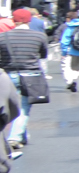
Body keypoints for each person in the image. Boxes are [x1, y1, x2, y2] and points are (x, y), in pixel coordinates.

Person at [1, 11, 48, 156]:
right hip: (31, 74)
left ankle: (21, 134)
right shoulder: (40, 36)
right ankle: (15, 137)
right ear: (29, 20)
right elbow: (43, 55)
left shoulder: (2, 37)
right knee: (24, 107)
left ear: (13, 21)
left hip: (9, 74)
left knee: (12, 105)